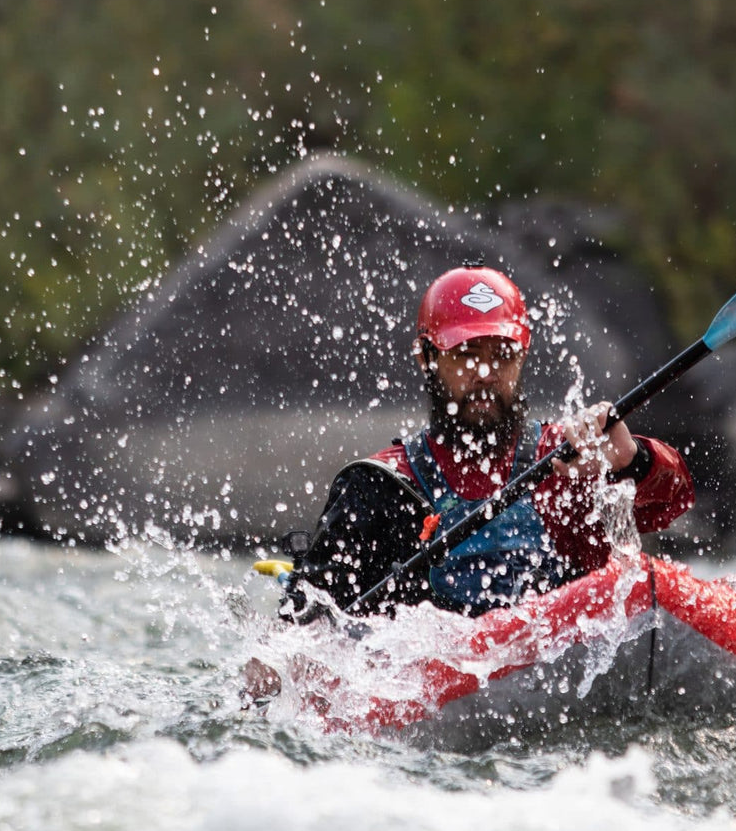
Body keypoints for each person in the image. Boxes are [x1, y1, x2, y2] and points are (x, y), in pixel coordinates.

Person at [281, 263, 694, 620]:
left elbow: (674, 499)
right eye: (465, 353)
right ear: (427, 357)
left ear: (522, 357)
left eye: (502, 354)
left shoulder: (566, 458)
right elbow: (302, 630)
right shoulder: (381, 486)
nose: (484, 373)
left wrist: (632, 460)